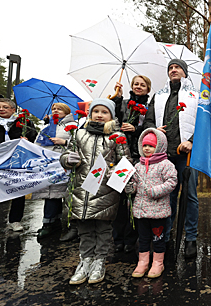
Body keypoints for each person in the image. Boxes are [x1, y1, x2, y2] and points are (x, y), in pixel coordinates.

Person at [60, 98, 131, 285]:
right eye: (96, 111)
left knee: (103, 228)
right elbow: (65, 155)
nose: (99, 114)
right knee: (84, 228)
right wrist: (68, 159)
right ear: (90, 114)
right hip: (81, 189)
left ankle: (100, 261)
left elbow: (125, 162)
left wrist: (115, 170)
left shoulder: (116, 137)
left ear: (111, 116)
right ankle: (85, 261)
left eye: (104, 112)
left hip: (105, 190)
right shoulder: (79, 134)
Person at [143, 58, 199, 258]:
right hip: (163, 154)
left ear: (185, 72)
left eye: (178, 67)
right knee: (167, 197)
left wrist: (191, 140)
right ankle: (165, 237)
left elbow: (201, 121)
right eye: (171, 68)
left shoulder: (195, 95)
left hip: (187, 154)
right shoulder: (158, 96)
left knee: (190, 196)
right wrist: (152, 129)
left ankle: (191, 238)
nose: (174, 70)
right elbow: (148, 120)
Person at [0, 98, 37, 236]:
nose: (1, 109)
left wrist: (27, 139)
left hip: (17, 163)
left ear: (12, 109)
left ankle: (15, 220)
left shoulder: (24, 123)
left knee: (18, 189)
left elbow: (34, 138)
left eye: (5, 107)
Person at [125, 128, 177, 278]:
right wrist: (130, 188)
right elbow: (134, 183)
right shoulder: (138, 166)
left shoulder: (165, 165)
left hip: (158, 210)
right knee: (143, 238)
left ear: (159, 147)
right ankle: (143, 262)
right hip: (141, 211)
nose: (147, 148)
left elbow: (172, 182)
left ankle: (158, 263)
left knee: (158, 238)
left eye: (151, 146)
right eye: (145, 145)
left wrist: (156, 191)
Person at [112, 75, 151, 254]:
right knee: (119, 199)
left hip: (138, 157)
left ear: (148, 89)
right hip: (120, 157)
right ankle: (117, 238)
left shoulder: (150, 108)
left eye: (142, 85)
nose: (138, 87)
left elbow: (151, 129)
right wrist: (116, 97)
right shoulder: (123, 103)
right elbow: (112, 119)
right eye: (136, 84)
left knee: (134, 199)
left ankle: (131, 238)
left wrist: (136, 130)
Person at [34, 103, 77, 239]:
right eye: (53, 109)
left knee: (68, 195)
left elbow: (79, 144)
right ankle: (50, 222)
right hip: (49, 166)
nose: (55, 111)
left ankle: (72, 225)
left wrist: (64, 142)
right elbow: (37, 145)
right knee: (51, 194)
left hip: (66, 165)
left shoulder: (74, 126)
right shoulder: (47, 127)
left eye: (59, 109)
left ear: (67, 112)